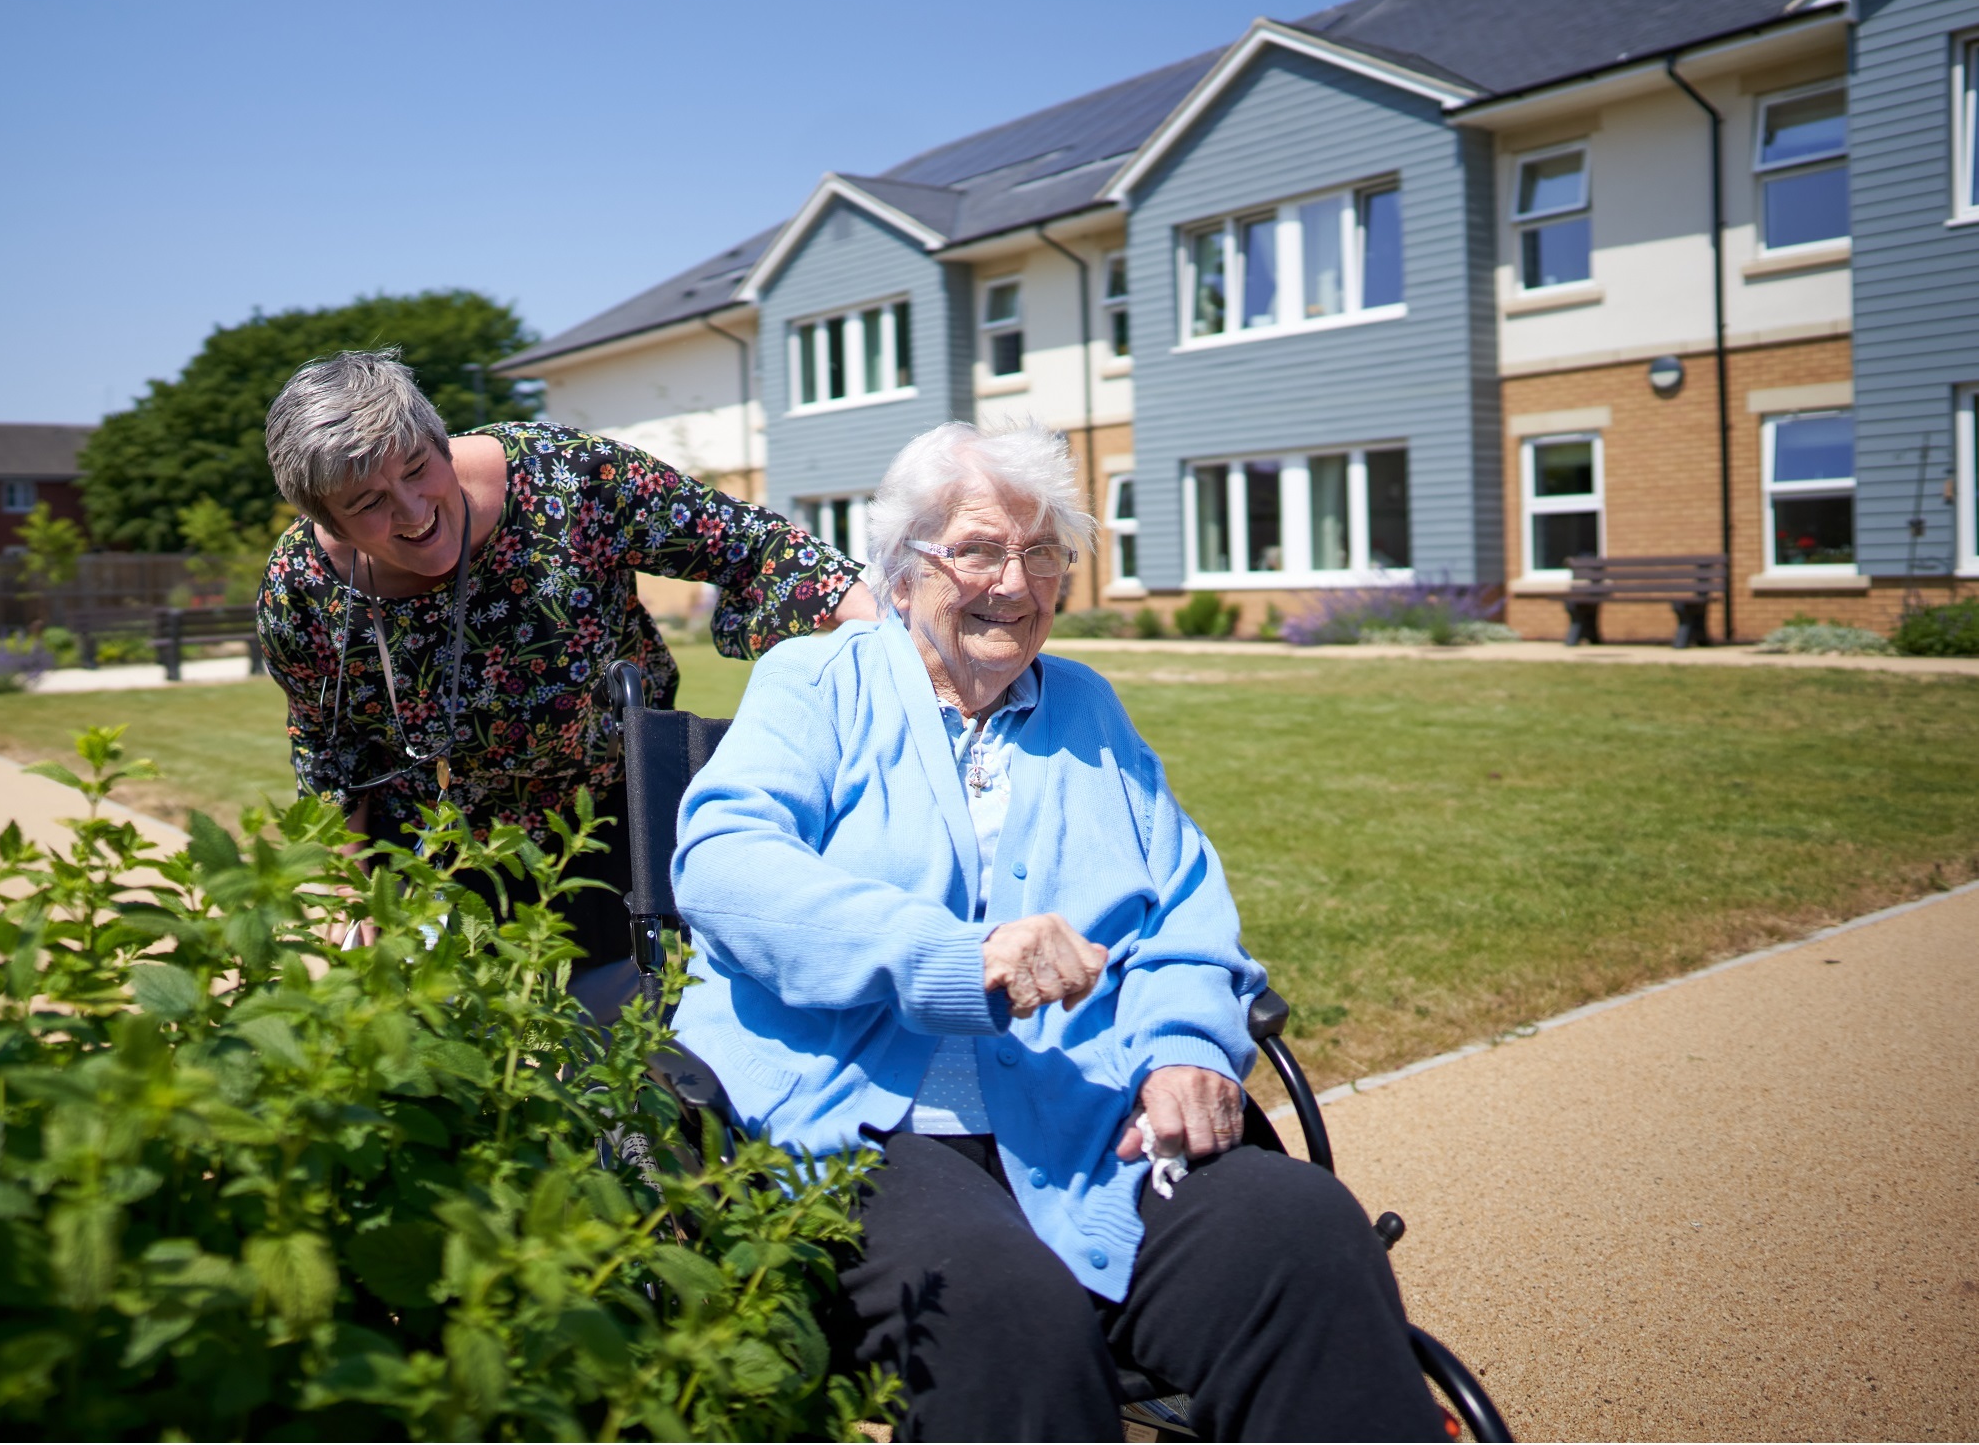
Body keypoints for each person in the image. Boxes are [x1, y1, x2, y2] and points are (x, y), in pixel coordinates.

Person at [668, 422, 1446, 1441]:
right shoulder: (814, 683)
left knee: (1301, 1229)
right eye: (981, 550)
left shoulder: (1084, 707)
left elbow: (1182, 908)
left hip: (1084, 1123)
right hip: (857, 1124)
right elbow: (725, 865)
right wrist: (953, 957)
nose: (1016, 583)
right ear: (903, 573)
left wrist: (1180, 1047)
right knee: (999, 1311)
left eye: (1043, 553)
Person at [256, 349, 875, 984]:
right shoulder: (300, 591)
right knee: (445, 1053)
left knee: (619, 1036)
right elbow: (330, 751)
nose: (413, 511)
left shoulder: (570, 479)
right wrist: (344, 884)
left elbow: (757, 547)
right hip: (429, 842)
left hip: (606, 818)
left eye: (418, 469)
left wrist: (890, 647)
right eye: (369, 503)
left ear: (441, 444)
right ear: (324, 518)